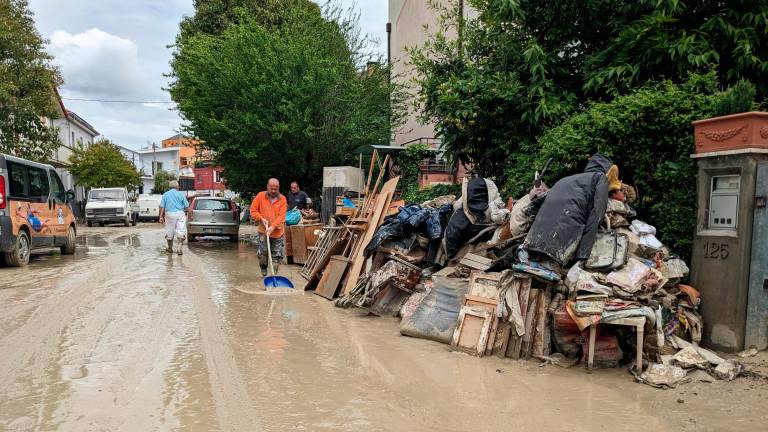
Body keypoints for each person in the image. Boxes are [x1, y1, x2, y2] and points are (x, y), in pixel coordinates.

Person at [250, 178, 288, 276]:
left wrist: (273, 227)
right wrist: (261, 218)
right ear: (267, 187)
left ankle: (273, 276)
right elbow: (253, 210)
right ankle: (263, 270)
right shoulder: (260, 196)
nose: (273, 191)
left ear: (278, 188)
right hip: (263, 231)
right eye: (271, 188)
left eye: (275, 189)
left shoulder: (282, 199)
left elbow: (282, 216)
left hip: (278, 233)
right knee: (264, 253)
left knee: (276, 255)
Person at [159, 180, 190, 255]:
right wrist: (190, 212)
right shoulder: (181, 194)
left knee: (169, 230)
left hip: (169, 214)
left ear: (170, 187)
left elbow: (162, 206)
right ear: (177, 187)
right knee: (181, 229)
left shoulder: (165, 195)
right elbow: (186, 206)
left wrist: (161, 216)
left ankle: (170, 248)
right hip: (180, 213)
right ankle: (179, 248)